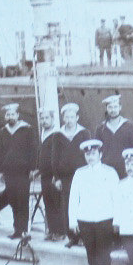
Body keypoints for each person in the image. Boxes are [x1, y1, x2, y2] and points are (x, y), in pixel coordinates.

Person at [68, 138, 120, 265]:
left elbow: (117, 198)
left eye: (93, 153)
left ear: (100, 154)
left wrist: (117, 220)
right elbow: (73, 198)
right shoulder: (80, 173)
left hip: (105, 219)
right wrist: (73, 221)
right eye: (87, 154)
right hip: (85, 220)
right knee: (91, 256)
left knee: (104, 256)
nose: (90, 157)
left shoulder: (110, 172)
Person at [0, 102, 37, 238]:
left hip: (23, 171)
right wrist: (0, 171)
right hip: (9, 172)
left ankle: (24, 230)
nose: (10, 117)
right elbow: (0, 152)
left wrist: (33, 168)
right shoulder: (3, 132)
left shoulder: (27, 129)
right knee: (13, 200)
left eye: (12, 114)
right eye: (8, 114)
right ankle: (17, 229)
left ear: (17, 115)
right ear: (5, 116)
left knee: (22, 200)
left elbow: (34, 150)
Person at [54, 103, 89, 242]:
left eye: (72, 117)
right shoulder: (58, 135)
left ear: (77, 118)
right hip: (65, 178)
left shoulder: (84, 133)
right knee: (67, 206)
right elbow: (54, 157)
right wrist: (57, 178)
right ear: (63, 118)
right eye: (67, 117)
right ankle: (72, 237)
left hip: (82, 176)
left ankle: (83, 237)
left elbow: (89, 153)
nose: (69, 120)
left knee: (82, 204)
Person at [36, 107, 68, 241]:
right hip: (44, 174)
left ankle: (60, 232)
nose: (44, 121)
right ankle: (52, 230)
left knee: (56, 203)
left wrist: (57, 174)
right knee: (48, 202)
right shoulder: (43, 133)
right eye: (42, 118)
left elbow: (61, 156)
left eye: (47, 118)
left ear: (53, 119)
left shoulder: (58, 134)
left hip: (54, 175)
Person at [96, 94, 133, 178]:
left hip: (125, 169)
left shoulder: (129, 126)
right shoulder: (101, 128)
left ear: (120, 107)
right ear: (106, 108)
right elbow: (98, 151)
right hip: (106, 170)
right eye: (110, 107)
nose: (113, 110)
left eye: (115, 107)